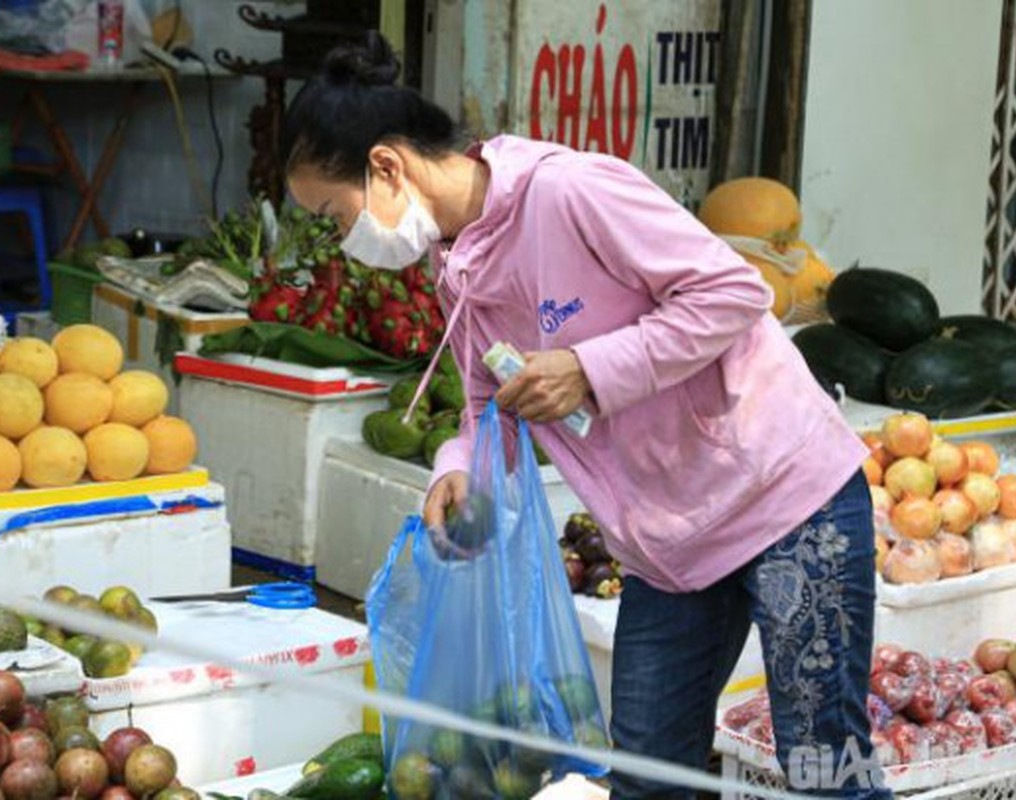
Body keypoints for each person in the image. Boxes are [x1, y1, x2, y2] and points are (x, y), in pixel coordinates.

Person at [281, 34, 889, 800]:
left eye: (334, 217)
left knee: (824, 771)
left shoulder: (569, 192)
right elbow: (484, 401)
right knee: (642, 776)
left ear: (386, 167)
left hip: (787, 500)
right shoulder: (456, 266)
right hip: (667, 546)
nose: (342, 244)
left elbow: (733, 294)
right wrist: (457, 467)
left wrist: (589, 370)